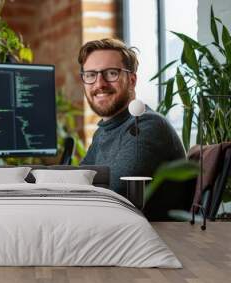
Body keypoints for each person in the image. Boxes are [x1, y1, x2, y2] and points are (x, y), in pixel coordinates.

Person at [79, 38, 185, 197]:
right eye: (90, 75)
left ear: (132, 80)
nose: (99, 83)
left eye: (111, 73)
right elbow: (77, 182)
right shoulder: (103, 132)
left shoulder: (147, 125)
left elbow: (117, 192)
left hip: (149, 222)